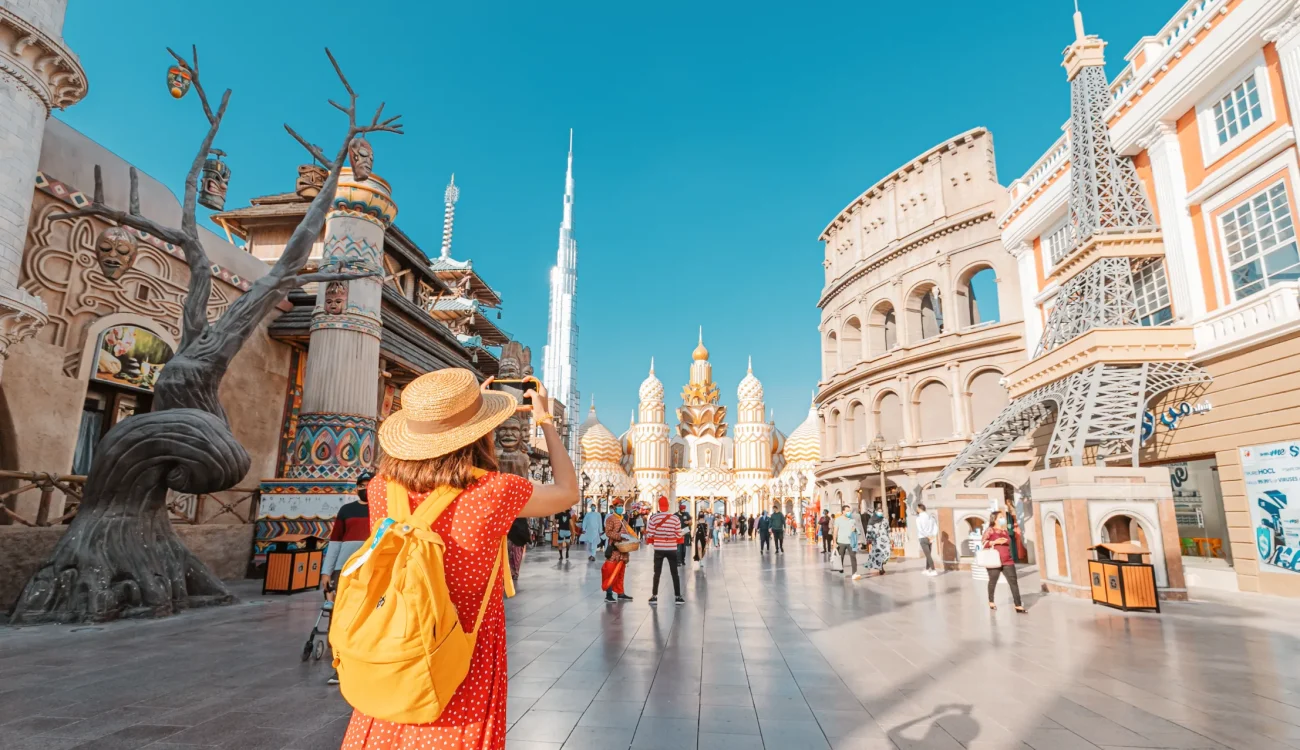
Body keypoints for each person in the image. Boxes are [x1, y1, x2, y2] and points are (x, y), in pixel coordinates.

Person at [340, 369, 578, 750]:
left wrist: (471, 416)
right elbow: (568, 491)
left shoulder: (381, 488)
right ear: (480, 433)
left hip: (396, 643)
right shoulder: (496, 492)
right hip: (464, 646)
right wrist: (545, 419)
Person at [321, 471, 373, 686]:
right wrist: (326, 571)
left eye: (369, 484)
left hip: (370, 568)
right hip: (344, 568)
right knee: (340, 613)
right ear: (356, 487)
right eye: (362, 484)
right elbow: (334, 542)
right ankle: (339, 662)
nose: (365, 488)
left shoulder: (381, 509)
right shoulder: (346, 510)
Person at [983, 510, 1026, 613]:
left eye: (1003, 517)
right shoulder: (990, 530)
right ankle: (991, 601)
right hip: (994, 560)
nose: (1003, 519)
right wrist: (995, 542)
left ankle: (1018, 605)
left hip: (1008, 560)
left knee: (1013, 582)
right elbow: (984, 543)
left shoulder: (1005, 531)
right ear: (995, 519)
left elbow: (1008, 542)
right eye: (1000, 517)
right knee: (993, 581)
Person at [645, 496, 685, 605]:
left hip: (658, 548)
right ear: (668, 506)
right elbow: (678, 534)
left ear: (659, 506)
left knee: (657, 572)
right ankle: (678, 596)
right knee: (674, 573)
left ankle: (654, 596)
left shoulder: (653, 518)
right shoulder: (675, 518)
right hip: (671, 548)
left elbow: (650, 534)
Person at [603, 501, 636, 602]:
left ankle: (620, 592)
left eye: (622, 506)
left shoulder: (623, 520)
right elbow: (608, 532)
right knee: (610, 571)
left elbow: (630, 531)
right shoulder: (610, 519)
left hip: (623, 550)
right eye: (619, 506)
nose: (621, 508)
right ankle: (609, 594)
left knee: (621, 572)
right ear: (614, 507)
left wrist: (634, 538)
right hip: (614, 549)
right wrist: (620, 536)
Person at [833, 505, 863, 580]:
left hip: (851, 542)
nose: (849, 512)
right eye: (847, 511)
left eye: (849, 511)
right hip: (841, 542)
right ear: (843, 511)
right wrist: (834, 542)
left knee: (853, 557)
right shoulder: (838, 520)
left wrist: (855, 530)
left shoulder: (852, 520)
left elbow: (856, 530)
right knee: (840, 558)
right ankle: (840, 569)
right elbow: (835, 531)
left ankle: (854, 573)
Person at [863, 506, 891, 575]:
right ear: (875, 512)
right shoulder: (871, 520)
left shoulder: (885, 519)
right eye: (879, 511)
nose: (880, 512)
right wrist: (869, 539)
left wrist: (889, 537)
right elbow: (869, 530)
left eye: (881, 511)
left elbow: (888, 529)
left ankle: (880, 566)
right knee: (878, 554)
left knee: (886, 554)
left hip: (885, 540)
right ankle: (881, 568)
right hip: (876, 540)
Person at [916, 503, 939, 576]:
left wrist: (927, 536)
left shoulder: (918, 518)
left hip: (923, 538)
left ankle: (933, 570)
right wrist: (933, 535)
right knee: (928, 554)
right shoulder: (931, 517)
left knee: (928, 555)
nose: (916, 510)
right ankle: (927, 569)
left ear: (920, 509)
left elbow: (920, 530)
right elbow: (936, 527)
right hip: (930, 538)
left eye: (917, 508)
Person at [506, 517, 530, 582]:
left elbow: (524, 529)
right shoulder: (516, 518)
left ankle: (515, 573)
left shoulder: (521, 518)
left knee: (516, 557)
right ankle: (513, 572)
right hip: (511, 538)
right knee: (511, 557)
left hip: (518, 540)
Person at [675, 501, 692, 566]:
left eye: (684, 509)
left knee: (683, 548)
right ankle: (678, 561)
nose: (684, 510)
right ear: (680, 509)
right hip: (678, 532)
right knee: (678, 547)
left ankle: (683, 560)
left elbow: (691, 521)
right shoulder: (675, 515)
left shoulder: (686, 514)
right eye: (682, 509)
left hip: (685, 532)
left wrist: (688, 522)